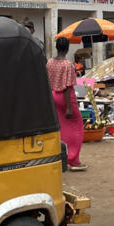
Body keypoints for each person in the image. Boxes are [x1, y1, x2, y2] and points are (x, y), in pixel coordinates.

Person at [47, 37, 84, 170]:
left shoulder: (50, 62)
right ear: (67, 48)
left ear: (57, 47)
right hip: (65, 97)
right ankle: (73, 159)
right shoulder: (68, 64)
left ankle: (61, 156)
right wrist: (69, 107)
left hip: (53, 95)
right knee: (77, 126)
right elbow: (68, 86)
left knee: (61, 127)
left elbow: (47, 82)